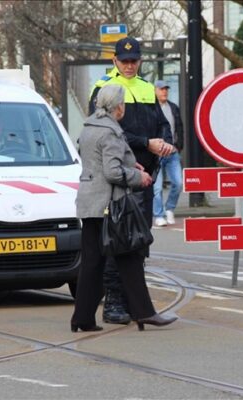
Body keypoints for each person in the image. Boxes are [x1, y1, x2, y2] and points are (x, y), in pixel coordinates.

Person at [71, 84, 177, 332]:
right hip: (111, 206)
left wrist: (130, 164)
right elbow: (112, 172)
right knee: (130, 255)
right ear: (119, 107)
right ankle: (145, 313)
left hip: (90, 204)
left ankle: (82, 319)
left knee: (92, 263)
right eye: (123, 104)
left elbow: (97, 162)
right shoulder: (111, 132)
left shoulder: (89, 127)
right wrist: (138, 176)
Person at [88, 36, 174, 325]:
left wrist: (165, 143)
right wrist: (147, 143)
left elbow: (162, 124)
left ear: (140, 60)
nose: (129, 65)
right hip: (120, 178)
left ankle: (133, 302)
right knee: (119, 241)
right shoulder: (104, 89)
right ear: (114, 60)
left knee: (139, 241)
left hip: (146, 177)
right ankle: (114, 303)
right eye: (124, 61)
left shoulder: (147, 88)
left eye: (133, 60)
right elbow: (106, 131)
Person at [152, 80, 184, 227]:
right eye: (161, 89)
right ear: (154, 91)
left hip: (172, 152)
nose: (164, 91)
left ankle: (169, 208)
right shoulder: (151, 108)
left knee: (178, 183)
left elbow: (179, 128)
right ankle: (158, 215)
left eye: (166, 89)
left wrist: (178, 146)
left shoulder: (173, 107)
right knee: (157, 187)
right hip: (156, 153)